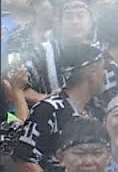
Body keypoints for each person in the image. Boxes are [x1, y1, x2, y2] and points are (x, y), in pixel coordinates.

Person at [11, 42, 108, 172]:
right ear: (92, 74)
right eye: (103, 69)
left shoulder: (97, 110)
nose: (106, 74)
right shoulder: (48, 110)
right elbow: (24, 161)